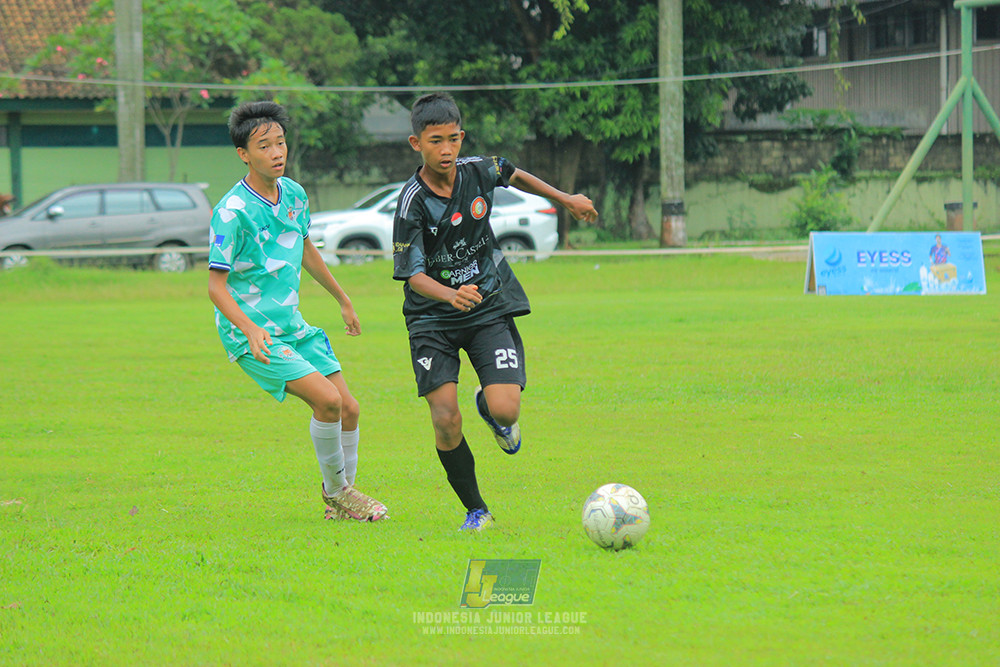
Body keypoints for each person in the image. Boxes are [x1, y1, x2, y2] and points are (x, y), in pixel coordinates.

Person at [392, 92, 598, 531]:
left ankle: (490, 407)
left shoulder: (478, 170)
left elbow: (513, 172)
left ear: (461, 137)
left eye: (452, 139)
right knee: (445, 418)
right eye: (435, 141)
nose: (446, 150)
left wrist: (566, 199)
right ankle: (476, 510)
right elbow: (413, 276)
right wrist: (449, 295)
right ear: (416, 144)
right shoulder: (411, 202)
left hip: (486, 305)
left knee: (507, 411)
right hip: (432, 319)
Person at [208, 100, 387, 522]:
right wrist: (250, 329)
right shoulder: (231, 212)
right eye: (265, 145)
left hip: (293, 326)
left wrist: (342, 300)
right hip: (252, 334)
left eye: (281, 143)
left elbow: (304, 248)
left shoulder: (294, 195)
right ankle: (340, 493)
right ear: (244, 154)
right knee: (327, 401)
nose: (277, 152)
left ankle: (340, 507)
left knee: (350, 407)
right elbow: (215, 287)